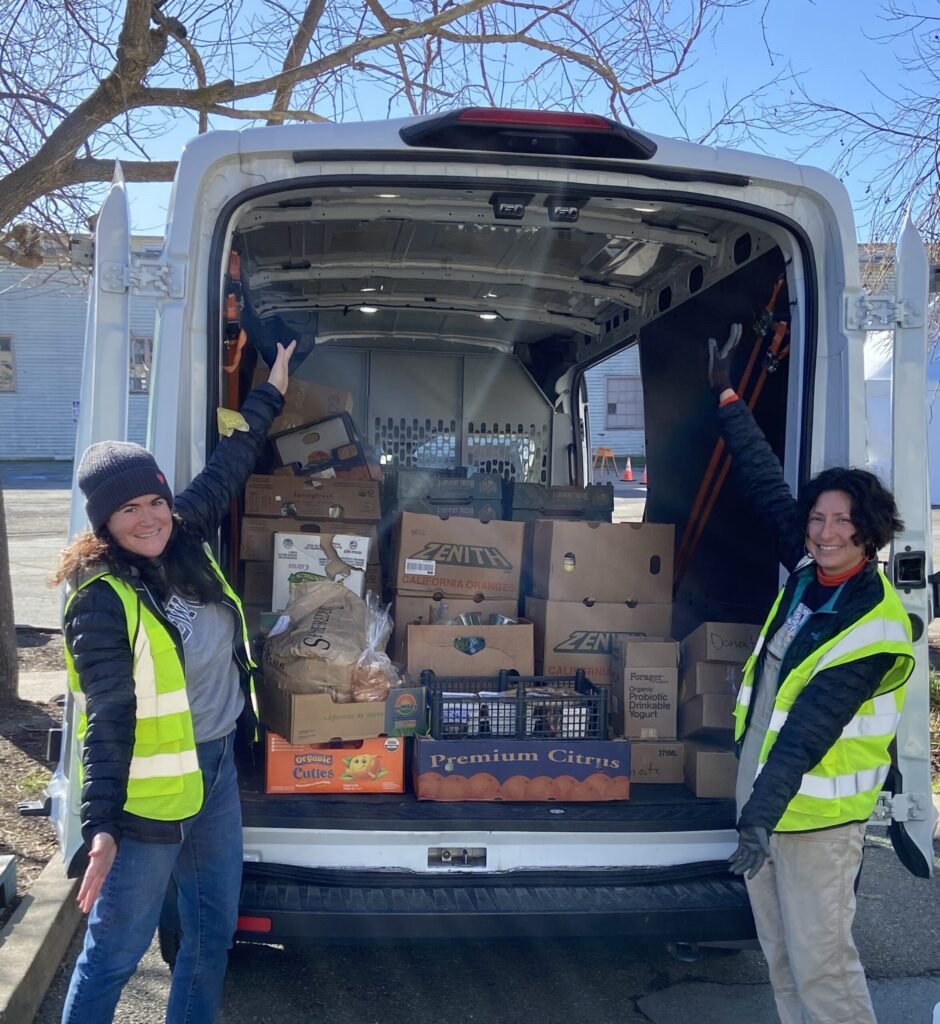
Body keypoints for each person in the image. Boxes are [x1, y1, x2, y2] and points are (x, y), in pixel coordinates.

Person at [55, 340, 295, 1024]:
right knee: (114, 955)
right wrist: (100, 825)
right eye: (126, 509)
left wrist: (270, 390)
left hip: (216, 770)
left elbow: (232, 462)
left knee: (211, 934)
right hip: (148, 800)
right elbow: (106, 716)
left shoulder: (183, 536)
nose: (147, 517)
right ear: (104, 521)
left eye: (152, 500)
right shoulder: (100, 598)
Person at [706, 324, 915, 1024]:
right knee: (781, 961)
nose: (824, 532)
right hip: (766, 805)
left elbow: (810, 733)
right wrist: (731, 400)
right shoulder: (808, 573)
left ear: (870, 531)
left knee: (823, 965)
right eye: (818, 520)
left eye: (841, 522)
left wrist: (756, 822)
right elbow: (767, 485)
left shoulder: (872, 626)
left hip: (814, 823)